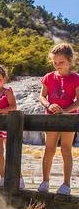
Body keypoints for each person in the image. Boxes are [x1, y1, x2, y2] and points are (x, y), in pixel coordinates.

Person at [38, 43, 79, 195]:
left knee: (66, 150)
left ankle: (66, 185)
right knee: (49, 149)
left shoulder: (76, 78)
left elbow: (78, 100)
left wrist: (65, 111)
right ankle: (45, 181)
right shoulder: (48, 77)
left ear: (70, 60)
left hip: (69, 119)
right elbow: (42, 96)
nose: (57, 65)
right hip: (51, 118)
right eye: (55, 62)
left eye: (61, 62)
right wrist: (49, 105)